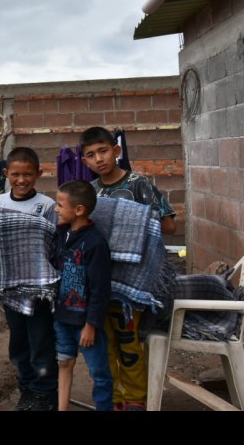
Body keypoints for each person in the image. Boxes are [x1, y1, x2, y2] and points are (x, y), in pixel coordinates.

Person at [80, 125, 177, 412]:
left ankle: (135, 397)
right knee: (103, 342)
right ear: (84, 161)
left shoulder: (139, 184)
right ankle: (112, 398)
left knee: (128, 340)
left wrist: (132, 221)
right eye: (91, 155)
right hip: (99, 283)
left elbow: (170, 226)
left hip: (132, 283)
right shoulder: (90, 192)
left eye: (103, 151)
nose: (99, 159)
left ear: (116, 151)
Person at [0, 146, 58, 410]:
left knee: (41, 339)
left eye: (27, 174)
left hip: (38, 289)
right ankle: (26, 386)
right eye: (15, 174)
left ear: (38, 173)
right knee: (18, 339)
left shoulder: (47, 206)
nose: (21, 180)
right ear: (6, 173)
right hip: (11, 288)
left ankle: (44, 391)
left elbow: (53, 245)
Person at [52, 179, 113, 412]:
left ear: (78, 210)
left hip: (85, 323)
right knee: (64, 363)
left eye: (60, 205)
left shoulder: (95, 243)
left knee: (99, 373)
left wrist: (91, 325)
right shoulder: (61, 234)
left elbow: (100, 289)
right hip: (62, 318)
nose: (56, 209)